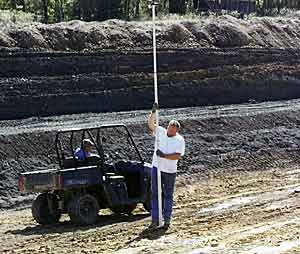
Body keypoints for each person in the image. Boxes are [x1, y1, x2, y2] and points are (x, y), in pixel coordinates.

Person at [148, 102, 185, 229]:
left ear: (177, 131)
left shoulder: (179, 140)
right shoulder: (161, 132)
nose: (170, 131)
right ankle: (155, 219)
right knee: (155, 194)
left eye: (173, 130)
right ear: (168, 126)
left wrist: (164, 156)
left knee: (168, 194)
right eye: (169, 128)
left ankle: (167, 219)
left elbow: (177, 156)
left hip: (170, 171)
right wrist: (153, 112)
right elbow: (150, 125)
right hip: (157, 167)